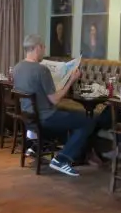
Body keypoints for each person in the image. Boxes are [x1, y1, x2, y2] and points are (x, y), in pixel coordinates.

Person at [13, 34, 95, 177]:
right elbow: (55, 100)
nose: (44, 50)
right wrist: (71, 79)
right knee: (87, 121)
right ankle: (61, 159)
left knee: (71, 118)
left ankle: (37, 146)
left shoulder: (17, 67)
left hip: (28, 119)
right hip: (46, 118)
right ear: (37, 47)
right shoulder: (41, 70)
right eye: (43, 47)